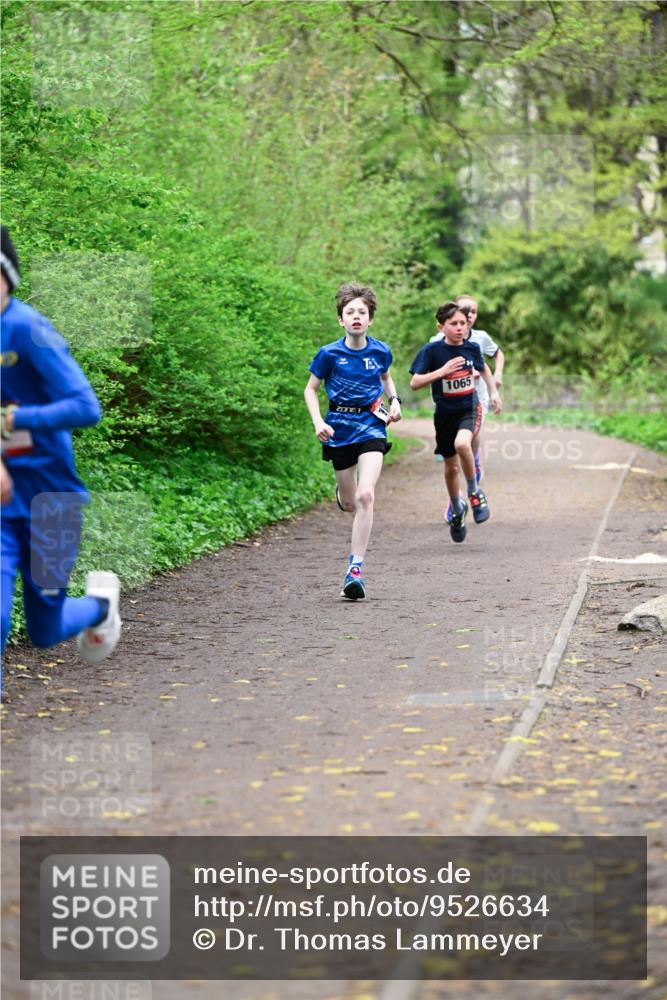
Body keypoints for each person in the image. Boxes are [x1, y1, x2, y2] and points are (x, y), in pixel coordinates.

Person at [1, 225, 121, 679]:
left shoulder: (30, 330)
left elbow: (86, 407)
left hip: (50, 498)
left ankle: (98, 606)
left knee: (45, 629)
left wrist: (18, 419)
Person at [304, 282, 401, 599]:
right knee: (349, 503)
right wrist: (318, 421)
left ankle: (355, 569)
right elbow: (311, 390)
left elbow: (385, 378)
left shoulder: (380, 351)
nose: (356, 317)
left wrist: (395, 401)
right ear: (341, 320)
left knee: (366, 495)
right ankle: (343, 494)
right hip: (338, 429)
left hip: (372, 425)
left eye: (362, 312)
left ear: (370, 319)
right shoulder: (329, 354)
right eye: (350, 312)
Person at [409, 301, 501, 543]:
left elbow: (484, 370)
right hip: (444, 415)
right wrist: (442, 371)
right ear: (441, 326)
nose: (460, 327)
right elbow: (415, 383)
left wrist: (494, 393)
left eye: (463, 323)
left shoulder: (471, 348)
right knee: (450, 468)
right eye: (454, 324)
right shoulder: (432, 351)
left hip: (469, 408)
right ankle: (457, 510)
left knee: (463, 444)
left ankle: (474, 492)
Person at [455, 293, 504, 487]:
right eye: (464, 310)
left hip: (478, 396)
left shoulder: (480, 338)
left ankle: (473, 460)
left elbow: (498, 354)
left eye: (473, 311)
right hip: (451, 397)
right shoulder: (442, 338)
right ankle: (468, 462)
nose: (469, 315)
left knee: (472, 433)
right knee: (457, 438)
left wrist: (497, 374)